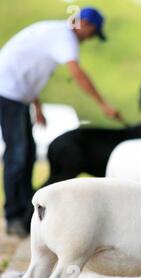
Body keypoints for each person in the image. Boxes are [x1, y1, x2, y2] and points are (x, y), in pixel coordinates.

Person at [0, 7, 123, 238]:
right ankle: (14, 216)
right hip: (7, 93)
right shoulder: (65, 37)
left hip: (17, 95)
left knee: (28, 152)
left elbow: (28, 68)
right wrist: (103, 104)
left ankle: (26, 213)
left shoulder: (53, 33)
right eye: (93, 33)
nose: (90, 39)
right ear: (86, 25)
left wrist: (36, 105)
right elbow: (77, 74)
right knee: (17, 154)